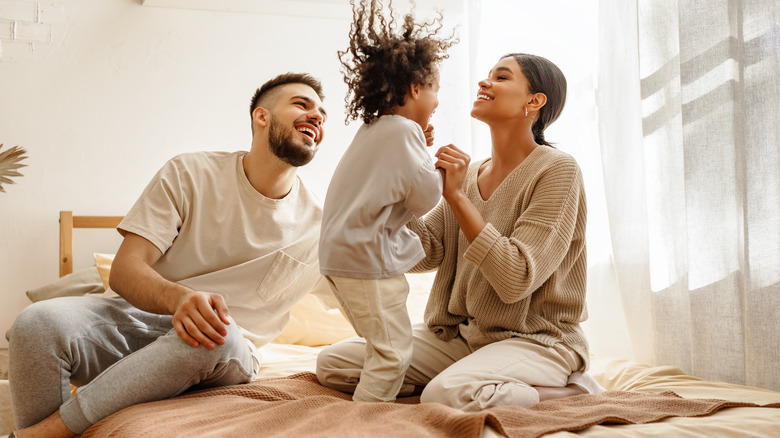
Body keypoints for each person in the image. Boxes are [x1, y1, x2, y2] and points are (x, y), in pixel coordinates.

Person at [6, 72, 328, 438]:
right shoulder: (190, 173)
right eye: (302, 104)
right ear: (261, 116)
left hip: (221, 353)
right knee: (35, 323)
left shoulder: (326, 224)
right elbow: (125, 271)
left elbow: (379, 290)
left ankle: (41, 434)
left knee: (214, 332)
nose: (317, 115)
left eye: (322, 113)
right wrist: (180, 299)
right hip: (137, 323)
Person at [317, 53, 606, 410]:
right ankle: (476, 377)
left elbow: (516, 278)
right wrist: (403, 171)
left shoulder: (558, 170)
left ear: (534, 101)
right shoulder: (470, 175)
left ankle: (573, 392)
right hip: (463, 337)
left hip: (537, 340)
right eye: (486, 76)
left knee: (445, 394)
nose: (484, 83)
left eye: (501, 77)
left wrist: (454, 196)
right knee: (333, 365)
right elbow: (428, 251)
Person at [317, 0, 456, 403]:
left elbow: (394, 181)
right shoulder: (403, 133)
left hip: (340, 258)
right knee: (393, 354)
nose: (436, 103)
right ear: (415, 88)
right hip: (367, 262)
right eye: (435, 92)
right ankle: (362, 425)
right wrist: (445, 175)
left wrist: (419, 149)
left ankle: (375, 405)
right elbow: (424, 196)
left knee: (381, 346)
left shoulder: (376, 129)